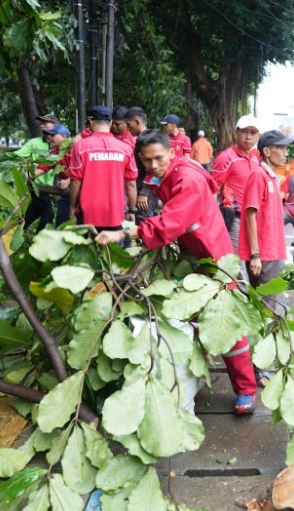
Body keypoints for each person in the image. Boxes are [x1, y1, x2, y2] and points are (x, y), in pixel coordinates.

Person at [93, 130, 258, 414]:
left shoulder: (189, 179)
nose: (153, 165)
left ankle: (246, 390)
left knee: (226, 324)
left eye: (158, 158)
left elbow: (172, 221)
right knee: (191, 318)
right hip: (193, 257)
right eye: (147, 161)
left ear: (172, 152)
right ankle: (196, 372)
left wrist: (126, 233)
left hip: (216, 260)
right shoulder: (166, 175)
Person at [68, 106, 138, 233]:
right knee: (112, 252)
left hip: (87, 212)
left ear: (90, 123)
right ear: (111, 123)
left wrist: (72, 207)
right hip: (116, 213)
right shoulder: (125, 149)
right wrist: (132, 210)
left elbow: (75, 181)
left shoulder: (81, 147)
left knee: (87, 251)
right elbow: (131, 183)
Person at [243, 130, 290, 306]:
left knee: (266, 303)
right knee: (266, 306)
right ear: (267, 152)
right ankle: (265, 334)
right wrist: (255, 255)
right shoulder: (258, 176)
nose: (285, 153)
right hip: (263, 253)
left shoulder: (271, 178)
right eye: (281, 148)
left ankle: (265, 333)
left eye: (286, 148)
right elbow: (250, 215)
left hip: (271, 251)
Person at [210, 115, 262, 256]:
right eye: (244, 131)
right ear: (235, 133)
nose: (248, 136)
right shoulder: (226, 157)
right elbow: (212, 191)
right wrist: (213, 223)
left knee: (253, 263)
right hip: (235, 220)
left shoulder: (255, 158)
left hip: (254, 220)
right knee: (235, 265)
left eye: (252, 132)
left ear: (258, 136)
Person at [25, 123, 71, 232]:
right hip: (67, 195)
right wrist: (25, 176)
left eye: (53, 135)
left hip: (84, 192)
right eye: (48, 135)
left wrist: (69, 180)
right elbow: (39, 169)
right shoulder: (54, 154)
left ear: (64, 137)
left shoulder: (76, 149)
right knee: (60, 223)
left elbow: (87, 169)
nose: (49, 138)